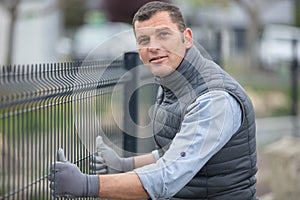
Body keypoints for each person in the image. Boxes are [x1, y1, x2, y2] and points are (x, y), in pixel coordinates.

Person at [49, 1, 258, 199]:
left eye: (163, 35)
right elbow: (175, 152)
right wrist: (124, 165)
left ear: (187, 38)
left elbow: (168, 175)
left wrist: (87, 184)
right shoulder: (172, 80)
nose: (153, 47)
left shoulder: (213, 100)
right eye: (144, 40)